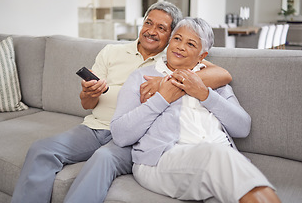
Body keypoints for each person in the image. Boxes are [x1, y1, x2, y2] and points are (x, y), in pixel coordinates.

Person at [11, 2, 232, 203]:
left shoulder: (173, 56)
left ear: (171, 35)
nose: (151, 31)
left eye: (162, 28)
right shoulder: (111, 51)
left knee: (104, 158)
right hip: (96, 128)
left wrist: (166, 81)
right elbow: (87, 104)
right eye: (148, 23)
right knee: (42, 149)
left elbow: (222, 75)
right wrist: (90, 93)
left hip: (133, 135)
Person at [110, 17, 281, 203]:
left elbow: (243, 127)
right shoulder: (142, 77)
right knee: (217, 156)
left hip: (219, 155)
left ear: (202, 55)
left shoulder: (214, 82)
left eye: (190, 43)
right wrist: (162, 99)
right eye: (177, 39)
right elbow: (120, 135)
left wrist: (205, 94)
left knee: (225, 179)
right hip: (162, 159)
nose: (180, 46)